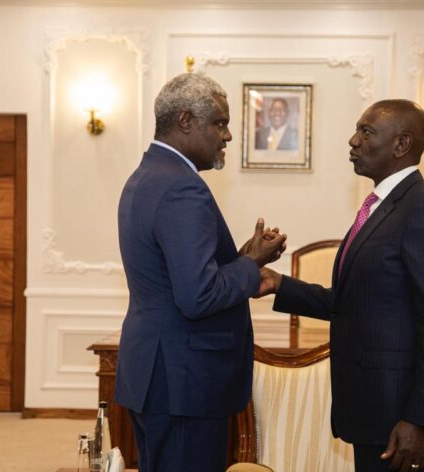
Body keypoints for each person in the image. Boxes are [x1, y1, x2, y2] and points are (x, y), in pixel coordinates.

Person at [259, 99, 424, 472]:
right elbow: (354, 303)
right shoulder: (380, 207)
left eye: (366, 132)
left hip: (397, 417)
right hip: (371, 412)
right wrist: (279, 285)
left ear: (401, 145)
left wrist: (419, 419)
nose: (353, 141)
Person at [115, 72, 286, 472]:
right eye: (220, 123)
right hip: (183, 383)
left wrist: (242, 257)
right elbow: (198, 296)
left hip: (156, 374)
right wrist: (251, 264)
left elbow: (177, 274)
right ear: (187, 121)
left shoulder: (144, 177)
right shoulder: (181, 187)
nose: (227, 136)